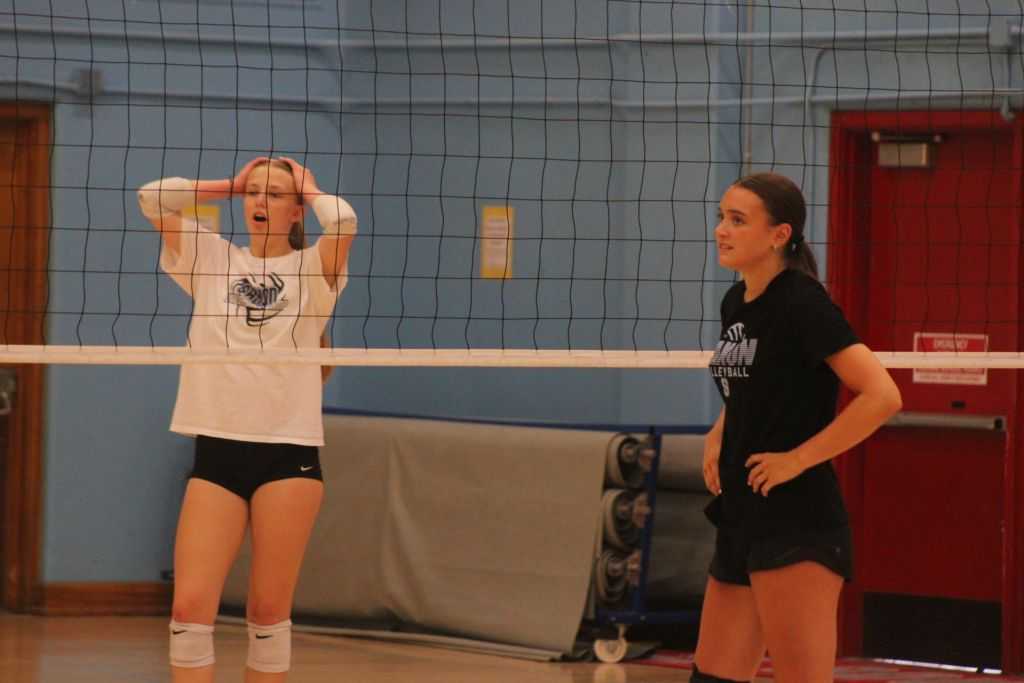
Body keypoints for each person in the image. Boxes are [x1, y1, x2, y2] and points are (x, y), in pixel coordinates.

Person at [137, 156, 357, 682]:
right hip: (216, 452)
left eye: (275, 194)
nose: (260, 202)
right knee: (189, 611)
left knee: (266, 613)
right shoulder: (211, 259)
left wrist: (307, 185)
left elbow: (344, 221)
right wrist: (230, 185)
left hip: (288, 456)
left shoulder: (315, 270)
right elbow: (150, 197)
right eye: (253, 193)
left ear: (298, 208)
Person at [694, 173, 902, 683]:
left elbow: (883, 396)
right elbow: (755, 384)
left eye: (738, 220)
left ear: (779, 234)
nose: (722, 230)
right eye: (722, 216)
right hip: (742, 514)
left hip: (797, 521)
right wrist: (720, 431)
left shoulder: (802, 303)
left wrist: (797, 459)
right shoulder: (737, 302)